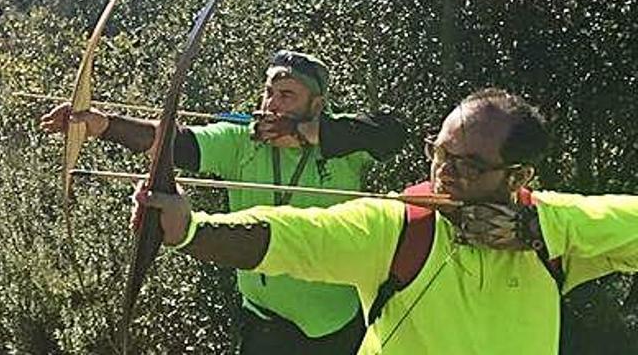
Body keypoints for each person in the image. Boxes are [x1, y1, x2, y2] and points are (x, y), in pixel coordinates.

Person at [136, 88, 638, 355]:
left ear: (519, 175)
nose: (444, 172)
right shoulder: (400, 226)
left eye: (469, 165)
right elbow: (298, 236)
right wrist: (191, 229)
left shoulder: (552, 230)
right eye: (440, 153)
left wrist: (535, 229)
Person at [41, 50, 406, 355]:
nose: (272, 105)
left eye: (287, 96)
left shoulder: (345, 148)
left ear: (317, 105)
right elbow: (173, 143)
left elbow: (393, 132)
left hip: (333, 323)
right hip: (263, 320)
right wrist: (101, 124)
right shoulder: (242, 141)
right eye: (269, 93)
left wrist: (309, 133)